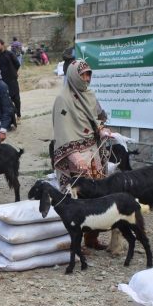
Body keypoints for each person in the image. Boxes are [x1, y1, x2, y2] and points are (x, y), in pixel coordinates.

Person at [51, 59, 110, 250]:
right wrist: (73, 156)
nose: (86, 79)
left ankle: (91, 238)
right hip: (75, 157)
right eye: (83, 75)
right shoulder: (63, 100)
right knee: (78, 200)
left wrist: (102, 130)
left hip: (94, 155)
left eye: (89, 74)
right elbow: (62, 131)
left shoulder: (90, 95)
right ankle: (75, 241)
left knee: (98, 197)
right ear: (73, 76)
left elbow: (97, 119)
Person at [0, 39, 21, 125]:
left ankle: (18, 115)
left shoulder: (10, 54)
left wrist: (14, 72)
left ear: (3, 45)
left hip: (12, 80)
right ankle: (10, 118)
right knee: (6, 101)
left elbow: (17, 64)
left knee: (16, 98)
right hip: (2, 82)